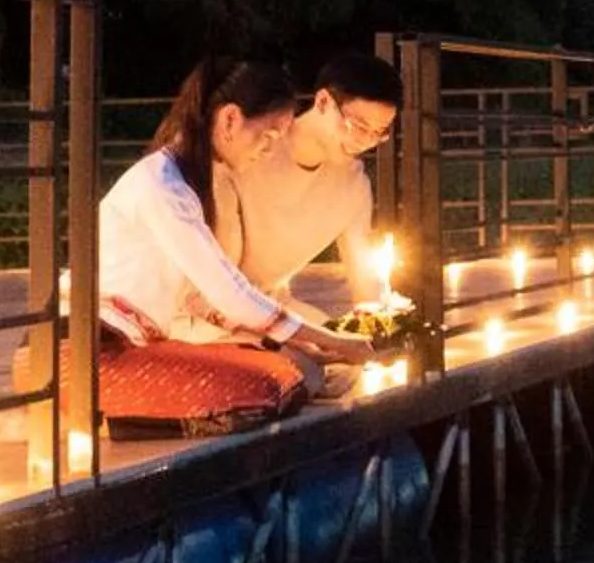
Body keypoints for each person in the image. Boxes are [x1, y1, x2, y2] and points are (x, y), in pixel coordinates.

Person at [94, 59, 376, 428]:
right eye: (269, 136)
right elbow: (229, 291)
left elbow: (203, 299)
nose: (269, 149)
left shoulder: (184, 183)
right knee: (271, 383)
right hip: (94, 355)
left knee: (295, 367)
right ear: (229, 120)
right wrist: (334, 341)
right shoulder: (161, 186)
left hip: (137, 345)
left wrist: (292, 341)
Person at [216, 52, 402, 301]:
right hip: (212, 308)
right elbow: (218, 281)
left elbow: (365, 281)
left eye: (379, 132)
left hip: (272, 304)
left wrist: (383, 315)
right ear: (323, 102)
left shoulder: (353, 185)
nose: (365, 142)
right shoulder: (252, 149)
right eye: (357, 126)